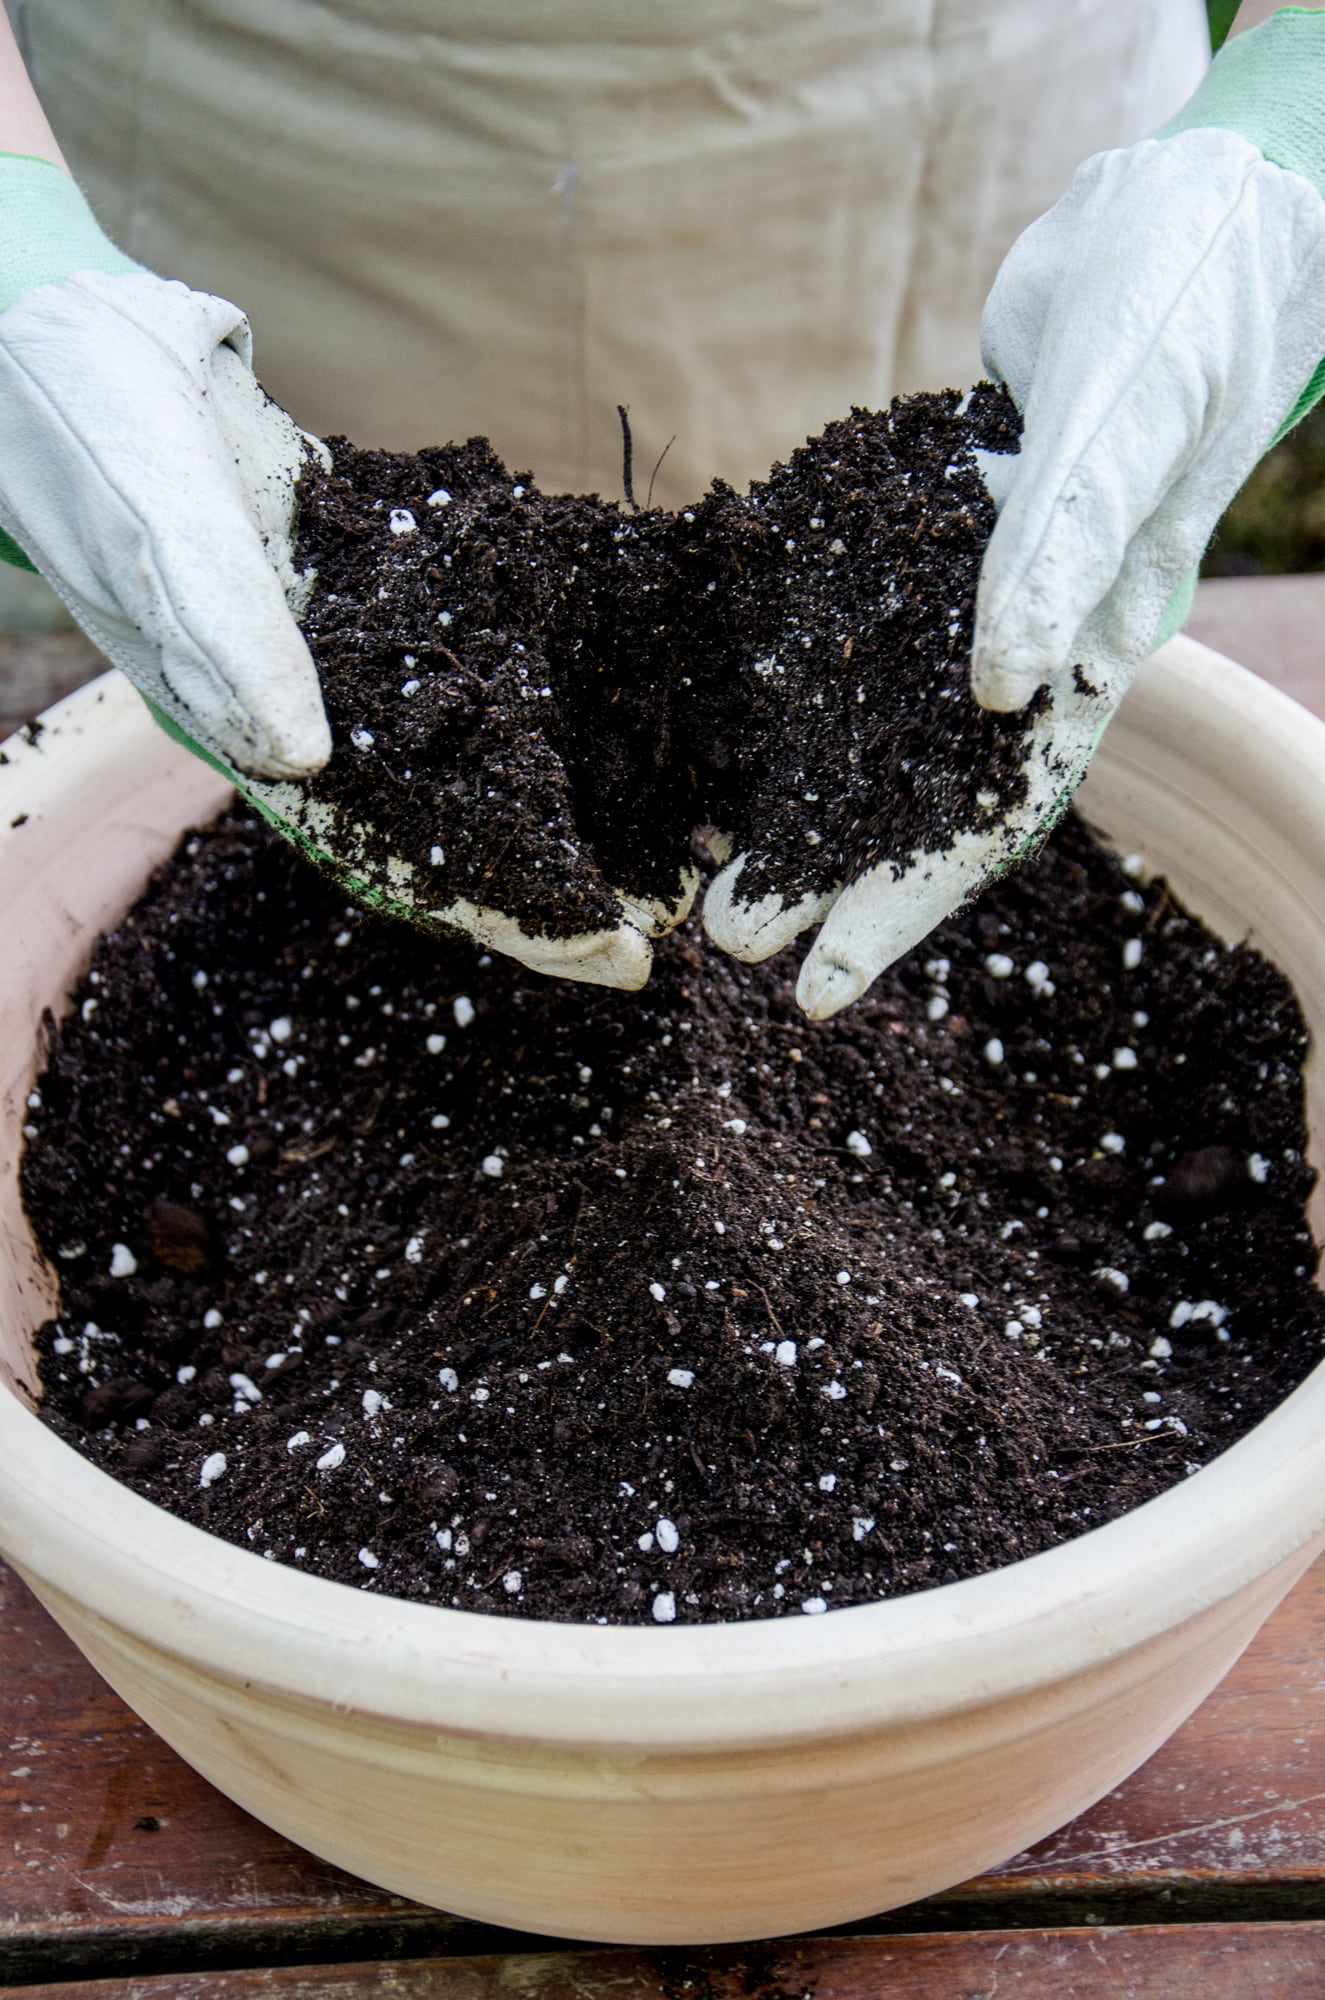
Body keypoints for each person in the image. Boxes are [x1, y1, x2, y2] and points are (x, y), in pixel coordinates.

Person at [0, 0, 1321, 1012]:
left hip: (955, 120)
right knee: (259, 615)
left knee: (977, 592)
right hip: (282, 155)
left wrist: (1293, 108)